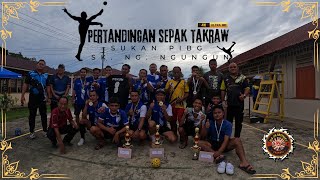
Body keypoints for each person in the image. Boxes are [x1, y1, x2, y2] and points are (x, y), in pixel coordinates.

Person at [199, 105, 256, 174]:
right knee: (198, 142)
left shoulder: (228, 124)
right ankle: (217, 156)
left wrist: (219, 151)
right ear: (213, 115)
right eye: (215, 113)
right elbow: (202, 136)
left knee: (237, 140)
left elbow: (226, 140)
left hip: (224, 144)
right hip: (212, 144)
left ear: (223, 113)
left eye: (219, 112)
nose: (217, 114)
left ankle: (244, 163)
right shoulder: (210, 122)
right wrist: (205, 127)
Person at [21, 59, 51, 139]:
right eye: (40, 64)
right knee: (32, 115)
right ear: (36, 65)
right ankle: (31, 132)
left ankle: (45, 131)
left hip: (42, 98)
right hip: (33, 97)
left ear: (44, 66)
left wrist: (49, 96)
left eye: (42, 64)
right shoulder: (30, 74)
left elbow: (48, 87)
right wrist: (22, 95)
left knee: (43, 115)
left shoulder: (46, 75)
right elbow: (25, 84)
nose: (41, 65)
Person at [221, 63, 250, 137]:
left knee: (238, 123)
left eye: (234, 67)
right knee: (228, 123)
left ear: (237, 68)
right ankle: (227, 138)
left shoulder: (243, 77)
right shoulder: (225, 78)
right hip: (229, 105)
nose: (233, 68)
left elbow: (247, 88)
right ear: (229, 69)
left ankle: (237, 138)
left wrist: (244, 95)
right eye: (231, 67)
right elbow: (223, 90)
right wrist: (223, 101)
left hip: (239, 104)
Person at [165, 66, 189, 137]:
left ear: (180, 72)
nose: (176, 74)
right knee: (172, 121)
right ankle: (174, 135)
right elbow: (165, 92)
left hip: (181, 105)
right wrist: (168, 88)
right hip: (172, 105)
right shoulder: (169, 82)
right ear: (172, 73)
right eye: (174, 72)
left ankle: (182, 137)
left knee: (181, 122)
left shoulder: (184, 82)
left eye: (177, 72)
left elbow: (187, 93)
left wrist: (182, 99)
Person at [72, 68, 89, 135]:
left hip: (85, 101)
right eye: (81, 72)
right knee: (77, 114)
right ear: (80, 73)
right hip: (78, 100)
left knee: (84, 115)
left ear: (86, 73)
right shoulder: (77, 81)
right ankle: (78, 126)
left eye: (84, 72)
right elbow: (74, 91)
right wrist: (73, 99)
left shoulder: (88, 81)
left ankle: (83, 127)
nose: (83, 73)